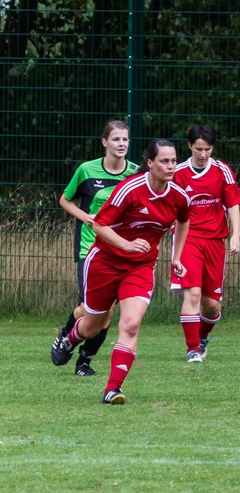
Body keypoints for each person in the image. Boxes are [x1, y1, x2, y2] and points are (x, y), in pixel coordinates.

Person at [51, 139, 191, 404]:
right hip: (104, 262)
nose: (171, 166)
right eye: (164, 160)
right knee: (92, 325)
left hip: (140, 266)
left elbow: (184, 221)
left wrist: (177, 257)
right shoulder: (130, 189)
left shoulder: (178, 196)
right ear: (150, 163)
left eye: (173, 160)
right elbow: (100, 225)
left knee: (131, 323)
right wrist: (127, 245)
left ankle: (112, 389)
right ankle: (70, 338)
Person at [54, 120, 139, 377]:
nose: (121, 144)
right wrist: (84, 217)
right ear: (104, 142)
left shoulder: (135, 173)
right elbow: (65, 200)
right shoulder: (86, 170)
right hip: (88, 248)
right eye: (115, 139)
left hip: (117, 251)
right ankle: (65, 336)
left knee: (108, 313)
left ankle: (84, 362)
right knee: (91, 309)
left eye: (125, 139)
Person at [171, 125, 240, 363]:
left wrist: (236, 234)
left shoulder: (223, 171)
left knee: (212, 306)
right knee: (192, 293)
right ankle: (192, 348)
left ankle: (202, 336)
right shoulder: (178, 172)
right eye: (199, 149)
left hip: (215, 241)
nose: (203, 154)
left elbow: (232, 203)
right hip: (188, 239)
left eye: (208, 149)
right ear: (190, 146)